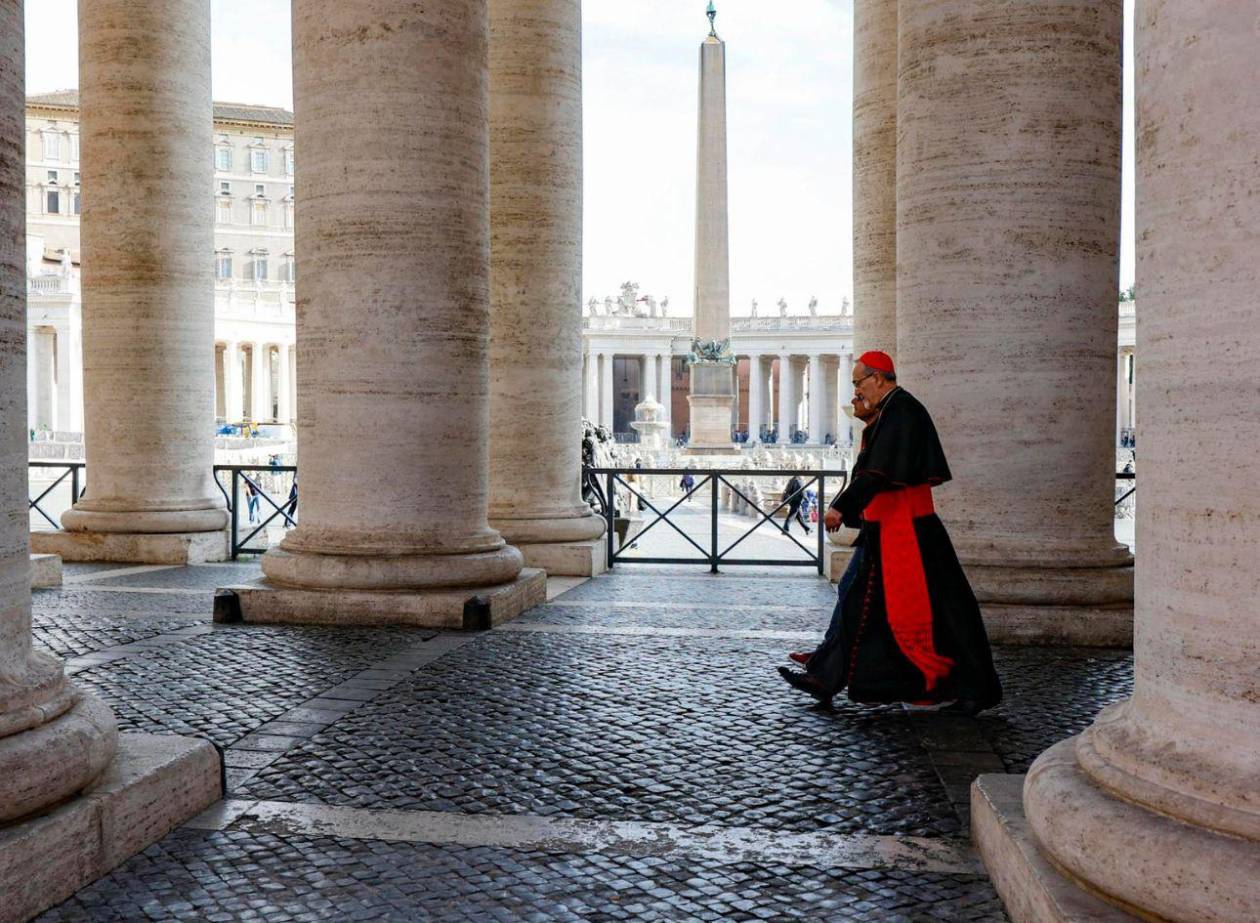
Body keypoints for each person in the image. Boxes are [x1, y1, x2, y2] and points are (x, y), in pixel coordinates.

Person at [778, 350, 1002, 715]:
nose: (856, 389)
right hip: (887, 529)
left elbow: (877, 472)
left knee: (948, 613)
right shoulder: (891, 412)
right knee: (853, 598)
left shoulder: (901, 411)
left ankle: (976, 687)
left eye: (858, 382)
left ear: (879, 377)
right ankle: (824, 673)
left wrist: (840, 508)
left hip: (910, 533)